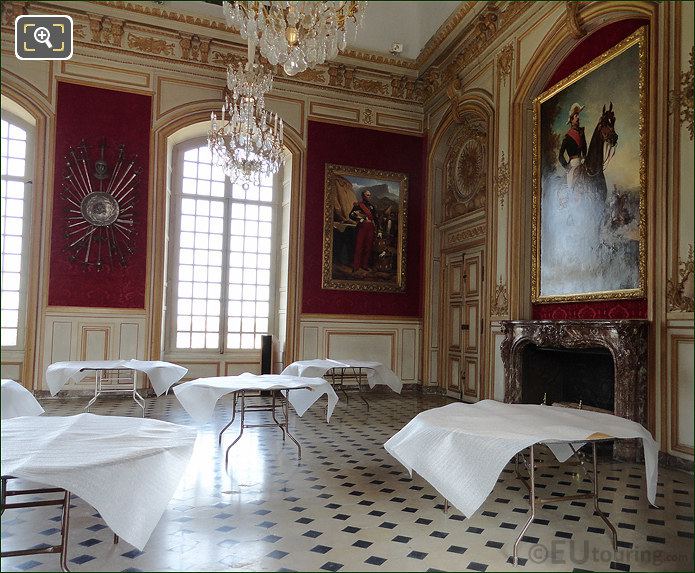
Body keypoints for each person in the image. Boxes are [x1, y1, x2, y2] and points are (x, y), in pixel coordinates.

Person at [558, 102, 587, 190]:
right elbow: (560, 156)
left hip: (582, 163)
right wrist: (567, 166)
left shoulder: (582, 133)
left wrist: (585, 158)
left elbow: (585, 148)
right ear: (571, 120)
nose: (578, 117)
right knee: (572, 188)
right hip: (572, 165)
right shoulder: (567, 137)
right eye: (576, 116)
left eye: (578, 115)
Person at [349, 189, 377, 273]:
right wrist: (360, 219)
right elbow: (350, 215)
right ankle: (356, 266)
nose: (369, 196)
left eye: (369, 195)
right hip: (362, 227)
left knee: (368, 247)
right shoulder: (358, 205)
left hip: (371, 228)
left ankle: (364, 265)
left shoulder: (372, 206)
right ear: (363, 196)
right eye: (367, 195)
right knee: (358, 246)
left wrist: (378, 229)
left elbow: (375, 219)